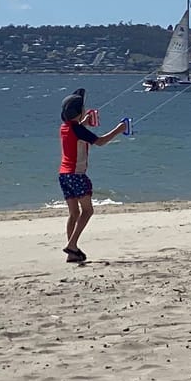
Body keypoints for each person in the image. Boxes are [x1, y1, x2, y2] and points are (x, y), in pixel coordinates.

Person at [58, 88, 129, 264]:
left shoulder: (65, 127)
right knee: (88, 210)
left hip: (64, 175)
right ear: (79, 112)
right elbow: (101, 141)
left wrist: (83, 122)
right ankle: (72, 245)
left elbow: (76, 131)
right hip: (77, 175)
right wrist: (119, 129)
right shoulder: (78, 129)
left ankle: (71, 252)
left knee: (74, 213)